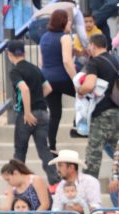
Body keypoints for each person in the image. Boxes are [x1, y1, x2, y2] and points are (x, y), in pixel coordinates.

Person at [5, 40, 59, 187]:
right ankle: (55, 181)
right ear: (24, 52)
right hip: (43, 112)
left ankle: (18, 183)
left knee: (20, 150)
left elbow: (24, 89)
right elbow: (48, 88)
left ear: (10, 54)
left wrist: (27, 112)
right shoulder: (35, 68)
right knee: (44, 149)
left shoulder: (15, 71)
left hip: (26, 114)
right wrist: (38, 99)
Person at [77, 34, 119, 180]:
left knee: (93, 156)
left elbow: (89, 84)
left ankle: (88, 190)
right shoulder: (117, 60)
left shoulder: (95, 62)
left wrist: (80, 91)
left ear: (93, 45)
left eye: (89, 46)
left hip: (102, 114)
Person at [38, 10, 77, 157]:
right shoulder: (64, 38)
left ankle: (52, 146)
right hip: (62, 78)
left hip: (47, 80)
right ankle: (77, 127)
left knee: (55, 113)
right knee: (86, 96)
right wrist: (76, 81)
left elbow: (41, 61)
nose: (70, 23)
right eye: (68, 20)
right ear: (63, 21)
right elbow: (67, 61)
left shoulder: (44, 38)